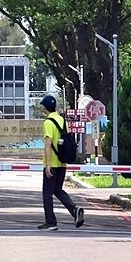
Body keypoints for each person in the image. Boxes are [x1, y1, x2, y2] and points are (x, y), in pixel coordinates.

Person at [38, 94, 84, 231]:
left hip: (51, 163)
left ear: (45, 108)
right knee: (58, 190)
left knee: (47, 194)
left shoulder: (48, 122)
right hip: (62, 162)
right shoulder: (62, 120)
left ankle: (51, 222)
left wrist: (47, 165)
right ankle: (74, 210)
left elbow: (48, 144)